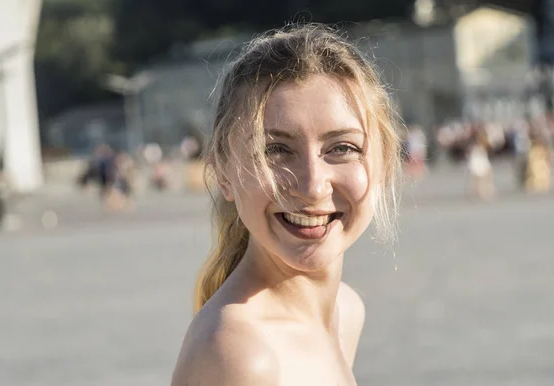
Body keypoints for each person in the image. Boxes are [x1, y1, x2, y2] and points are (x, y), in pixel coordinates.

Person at [171, 24, 402, 386]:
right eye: (276, 150)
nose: (312, 186)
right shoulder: (243, 354)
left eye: (342, 148)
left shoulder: (346, 310)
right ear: (223, 171)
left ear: (385, 162)